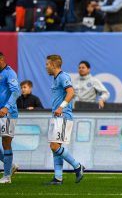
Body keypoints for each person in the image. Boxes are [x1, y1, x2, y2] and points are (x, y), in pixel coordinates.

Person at [45, 55, 84, 185]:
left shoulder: (63, 76)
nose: (46, 67)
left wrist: (61, 108)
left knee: (54, 146)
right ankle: (58, 178)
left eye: (47, 64)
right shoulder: (56, 78)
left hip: (63, 115)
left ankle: (77, 166)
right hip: (57, 116)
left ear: (54, 65)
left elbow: (71, 92)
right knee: (55, 146)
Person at [0, 52, 20, 184]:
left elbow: (16, 91)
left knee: (6, 142)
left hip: (8, 113)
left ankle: (7, 176)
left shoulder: (10, 73)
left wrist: (6, 107)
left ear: (1, 59)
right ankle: (11, 165)